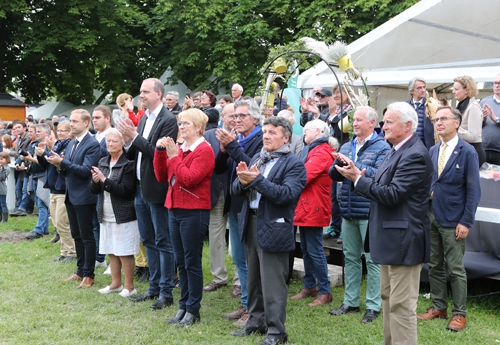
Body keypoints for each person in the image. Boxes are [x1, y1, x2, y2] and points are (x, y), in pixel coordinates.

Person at [335, 102, 433, 345]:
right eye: (384, 121)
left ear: (408, 126)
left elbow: (392, 194)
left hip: (404, 241)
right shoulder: (397, 149)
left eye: (389, 122)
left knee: (401, 305)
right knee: (389, 299)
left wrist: (358, 179)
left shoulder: (415, 155)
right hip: (391, 239)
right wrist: (360, 173)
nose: (383, 126)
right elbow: (384, 184)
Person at [230, 116, 306, 345]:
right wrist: (243, 182)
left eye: (272, 132)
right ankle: (256, 321)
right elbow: (236, 190)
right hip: (251, 222)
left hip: (275, 225)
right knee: (252, 280)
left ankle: (276, 332)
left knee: (272, 282)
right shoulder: (258, 158)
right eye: (265, 131)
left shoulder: (293, 163)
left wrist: (256, 180)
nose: (266, 136)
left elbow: (286, 195)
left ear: (286, 137)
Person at [417, 106, 480, 332]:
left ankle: (459, 314)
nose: (439, 122)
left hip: (454, 219)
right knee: (434, 265)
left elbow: (473, 190)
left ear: (457, 122)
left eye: (444, 118)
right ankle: (438, 306)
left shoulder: (467, 151)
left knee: (455, 268)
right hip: (432, 214)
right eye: (436, 119)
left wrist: (466, 221)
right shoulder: (433, 150)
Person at [116, 77, 178, 309]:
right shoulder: (144, 119)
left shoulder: (168, 120)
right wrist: (127, 142)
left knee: (163, 240)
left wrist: (135, 138)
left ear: (159, 94)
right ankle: (153, 287)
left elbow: (158, 154)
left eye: (145, 91)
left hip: (157, 188)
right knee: (149, 239)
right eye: (140, 91)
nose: (141, 95)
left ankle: (166, 291)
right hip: (140, 187)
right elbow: (136, 154)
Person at [329, 106, 391, 323]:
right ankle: (350, 302)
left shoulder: (383, 147)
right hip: (347, 210)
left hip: (368, 210)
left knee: (373, 261)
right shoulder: (347, 145)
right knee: (351, 258)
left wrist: (354, 166)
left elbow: (379, 175)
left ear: (372, 123)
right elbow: (333, 175)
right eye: (353, 120)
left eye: (359, 120)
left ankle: (373, 306)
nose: (354, 124)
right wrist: (337, 164)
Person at [154, 109, 214, 326]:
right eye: (180, 123)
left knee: (191, 262)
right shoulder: (180, 149)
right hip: (175, 208)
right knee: (181, 261)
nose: (180, 127)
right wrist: (161, 152)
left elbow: (189, 179)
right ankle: (183, 306)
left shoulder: (203, 151)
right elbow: (162, 176)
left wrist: (173, 157)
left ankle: (193, 309)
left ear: (198, 127)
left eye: (185, 123)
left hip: (194, 211)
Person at [216, 98, 263, 327]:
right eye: (234, 116)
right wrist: (224, 151)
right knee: (239, 258)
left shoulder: (262, 139)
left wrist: (233, 147)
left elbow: (253, 169)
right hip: (236, 206)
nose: (236, 120)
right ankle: (246, 304)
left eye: (242, 116)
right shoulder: (239, 139)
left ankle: (253, 309)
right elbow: (218, 169)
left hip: (252, 208)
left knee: (250, 260)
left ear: (255, 118)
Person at [47, 109, 101, 288]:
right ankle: (80, 271)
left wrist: (62, 163)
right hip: (70, 194)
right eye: (70, 120)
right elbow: (67, 169)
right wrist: (58, 164)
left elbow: (86, 170)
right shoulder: (71, 143)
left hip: (85, 195)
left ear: (86, 123)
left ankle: (89, 274)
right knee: (76, 234)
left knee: (87, 236)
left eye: (75, 121)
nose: (71, 124)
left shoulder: (92, 144)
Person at [91, 128, 140, 298]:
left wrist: (104, 180)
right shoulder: (103, 161)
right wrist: (96, 182)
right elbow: (95, 189)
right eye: (108, 141)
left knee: (124, 251)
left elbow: (126, 191)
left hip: (123, 214)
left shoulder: (128, 163)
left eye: (114, 141)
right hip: (105, 213)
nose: (110, 144)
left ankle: (129, 286)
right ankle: (115, 283)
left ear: (122, 143)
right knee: (110, 249)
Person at [291, 120, 336, 307]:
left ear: (317, 131)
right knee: (306, 249)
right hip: (306, 206)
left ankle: (325, 291)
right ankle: (310, 286)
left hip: (314, 206)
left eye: (306, 130)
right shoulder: (312, 150)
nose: (303, 134)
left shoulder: (322, 152)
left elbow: (304, 176)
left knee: (315, 249)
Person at [203, 104, 236, 294]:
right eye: (231, 115)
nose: (234, 119)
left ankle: (240, 281)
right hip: (216, 191)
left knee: (238, 238)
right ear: (223, 116)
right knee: (215, 236)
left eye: (238, 115)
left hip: (238, 193)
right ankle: (219, 277)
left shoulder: (243, 135)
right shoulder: (210, 136)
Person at [36, 120, 76, 263]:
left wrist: (46, 152)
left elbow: (59, 163)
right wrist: (41, 155)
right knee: (56, 221)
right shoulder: (58, 144)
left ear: (69, 132)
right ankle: (64, 251)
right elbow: (46, 165)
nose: (59, 133)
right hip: (53, 187)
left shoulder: (69, 145)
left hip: (62, 188)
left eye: (63, 131)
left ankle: (72, 251)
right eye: (58, 130)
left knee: (62, 221)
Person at [24, 123, 51, 239]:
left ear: (46, 132)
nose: (36, 133)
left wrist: (31, 159)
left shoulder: (49, 146)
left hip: (43, 176)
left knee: (42, 204)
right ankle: (44, 229)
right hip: (35, 175)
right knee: (40, 203)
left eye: (39, 131)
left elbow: (45, 162)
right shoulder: (36, 144)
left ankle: (39, 230)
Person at [453, 75, 486, 167]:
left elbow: (473, 136)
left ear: (466, 90)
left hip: (473, 152)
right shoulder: (462, 105)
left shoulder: (474, 107)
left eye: (456, 89)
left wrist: (453, 127)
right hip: (465, 150)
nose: (453, 92)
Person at [405, 77, 435, 150]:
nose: (423, 90)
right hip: (408, 146)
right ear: (411, 91)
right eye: (419, 88)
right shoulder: (405, 106)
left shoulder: (431, 105)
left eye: (424, 87)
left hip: (427, 147)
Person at [480, 73, 500, 165]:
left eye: (499, 83)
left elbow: (495, 119)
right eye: (495, 83)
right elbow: (477, 125)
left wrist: (495, 119)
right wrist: (482, 119)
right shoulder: (485, 101)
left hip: (498, 152)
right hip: (484, 149)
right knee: (483, 178)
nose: (497, 85)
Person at [0, 152, 10, 223]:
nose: (0, 160)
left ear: (7, 159)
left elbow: (2, 177)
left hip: (2, 190)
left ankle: (5, 219)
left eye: (1, 159)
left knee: (3, 204)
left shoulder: (6, 168)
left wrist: (1, 168)